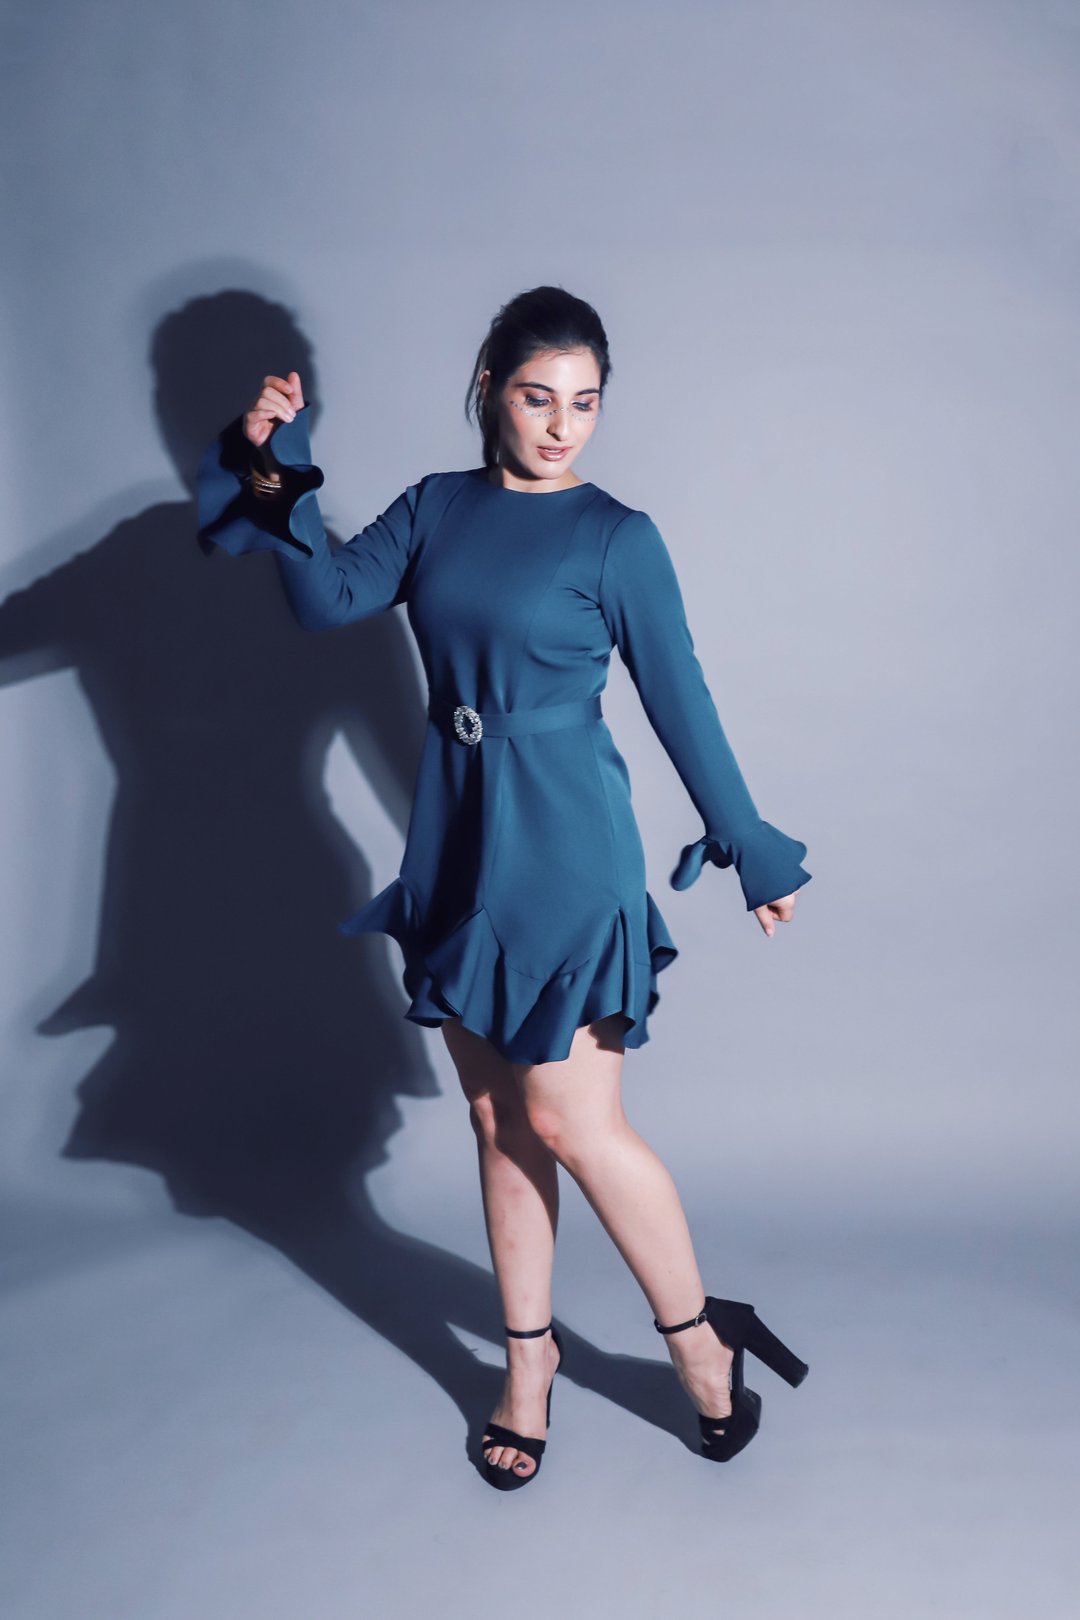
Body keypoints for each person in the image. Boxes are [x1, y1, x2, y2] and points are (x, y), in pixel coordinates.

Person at [195, 284, 812, 1490]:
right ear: (490, 389)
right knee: (497, 1122)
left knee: (576, 1122)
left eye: (585, 404)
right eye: (539, 398)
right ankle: (527, 1370)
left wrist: (747, 845)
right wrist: (275, 459)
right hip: (458, 840)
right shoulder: (436, 507)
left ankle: (699, 1337)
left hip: (567, 843)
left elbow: (680, 699)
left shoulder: (617, 536)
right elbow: (325, 597)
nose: (562, 427)